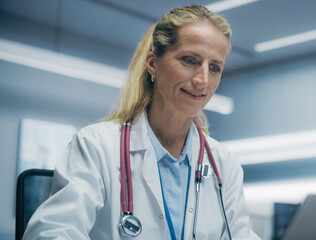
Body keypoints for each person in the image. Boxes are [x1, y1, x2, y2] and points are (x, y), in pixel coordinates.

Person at [23, 5, 259, 240]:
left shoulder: (223, 165)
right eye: (189, 60)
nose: (203, 80)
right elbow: (51, 233)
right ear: (153, 64)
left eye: (215, 68)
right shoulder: (97, 146)